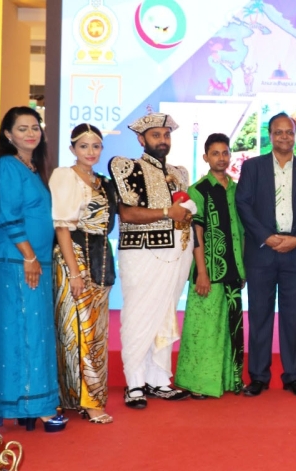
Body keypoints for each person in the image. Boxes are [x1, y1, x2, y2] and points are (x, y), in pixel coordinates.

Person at [0, 106, 67, 432]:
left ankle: (34, 403)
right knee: (21, 333)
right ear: (8, 134)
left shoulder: (32, 167)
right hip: (16, 261)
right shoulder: (7, 166)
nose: (31, 133)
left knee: (33, 332)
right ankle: (29, 405)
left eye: (35, 127)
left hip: (33, 262)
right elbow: (7, 215)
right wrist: (30, 257)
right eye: (22, 128)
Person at [108, 112, 195, 408]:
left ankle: (159, 380)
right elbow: (127, 213)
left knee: (165, 315)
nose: (162, 140)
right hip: (141, 252)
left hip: (176, 253)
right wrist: (166, 213)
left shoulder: (180, 172)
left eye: (166, 135)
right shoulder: (127, 167)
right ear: (141, 139)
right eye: (156, 135)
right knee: (138, 315)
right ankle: (134, 383)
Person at [236, 113, 296, 397]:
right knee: (259, 316)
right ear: (270, 135)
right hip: (262, 252)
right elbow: (243, 204)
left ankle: (293, 376)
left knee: (294, 317)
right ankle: (259, 376)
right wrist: (266, 236)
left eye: (289, 132)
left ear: (295, 134)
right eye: (278, 132)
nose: (284, 137)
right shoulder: (253, 168)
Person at [50, 123, 118, 424]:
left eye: (96, 146)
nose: (90, 152)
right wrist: (74, 273)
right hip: (73, 259)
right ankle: (86, 401)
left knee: (97, 332)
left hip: (101, 259)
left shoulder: (102, 181)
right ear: (72, 149)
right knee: (77, 331)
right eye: (83, 146)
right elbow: (62, 227)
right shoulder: (64, 176)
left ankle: (86, 396)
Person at [174, 133, 247, 399]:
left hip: (233, 269)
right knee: (204, 328)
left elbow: (240, 230)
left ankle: (228, 380)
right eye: (215, 153)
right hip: (210, 272)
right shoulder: (198, 190)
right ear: (206, 157)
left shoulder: (237, 188)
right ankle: (199, 383)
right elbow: (197, 233)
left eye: (225, 152)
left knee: (231, 327)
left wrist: (242, 268)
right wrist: (202, 272)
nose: (221, 158)